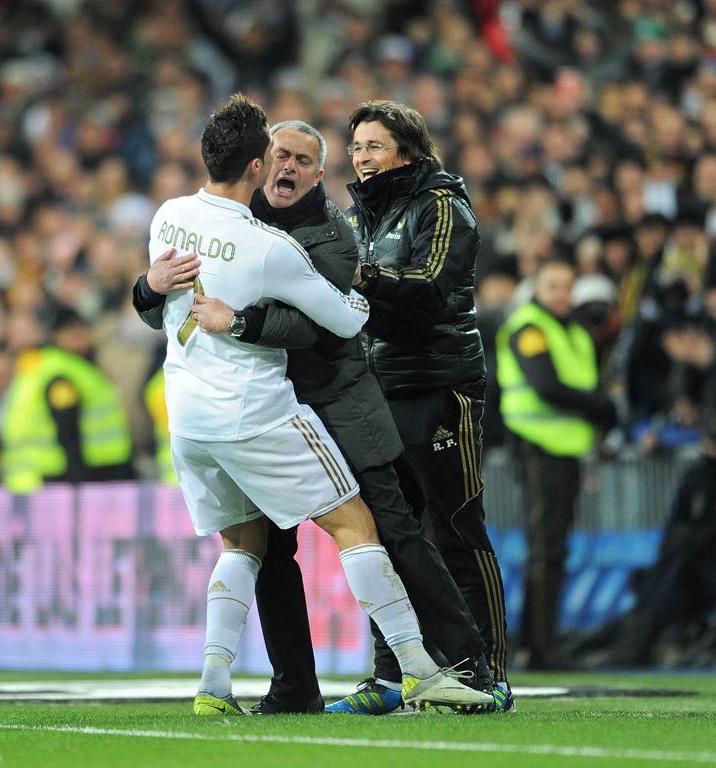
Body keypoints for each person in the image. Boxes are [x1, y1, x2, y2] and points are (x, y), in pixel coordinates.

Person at [141, 94, 492, 716]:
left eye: (304, 159)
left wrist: (242, 319)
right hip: (258, 410)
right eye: (280, 155)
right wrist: (149, 286)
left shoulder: (306, 229)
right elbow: (345, 317)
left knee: (385, 526)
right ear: (257, 162)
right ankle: (311, 684)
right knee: (301, 540)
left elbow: (316, 331)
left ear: (316, 172)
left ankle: (460, 661)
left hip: (320, 404)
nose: (289, 167)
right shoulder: (262, 241)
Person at [345, 100, 513, 710]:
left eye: (374, 146)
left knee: (455, 526)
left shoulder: (443, 204)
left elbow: (434, 288)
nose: (361, 158)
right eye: (356, 147)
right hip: (377, 390)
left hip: (441, 386)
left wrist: (356, 274)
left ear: (407, 151)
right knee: (390, 535)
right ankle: (392, 678)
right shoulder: (359, 216)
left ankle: (487, 672)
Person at [496, 259, 619, 669]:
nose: (561, 295)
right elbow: (546, 386)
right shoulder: (530, 328)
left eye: (567, 287)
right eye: (553, 286)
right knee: (546, 548)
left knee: (552, 548)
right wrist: (601, 407)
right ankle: (539, 648)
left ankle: (537, 643)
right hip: (537, 447)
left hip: (565, 450)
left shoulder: (573, 332)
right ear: (537, 287)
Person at [0, 306, 134, 493]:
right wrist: (77, 479)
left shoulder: (52, 367)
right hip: (67, 477)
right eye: (72, 330)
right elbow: (67, 429)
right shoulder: (62, 373)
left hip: (38, 478)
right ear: (57, 335)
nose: (81, 334)